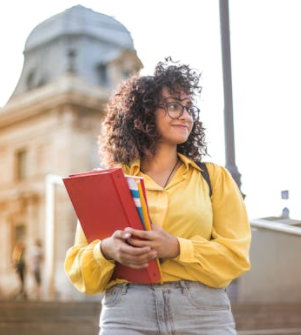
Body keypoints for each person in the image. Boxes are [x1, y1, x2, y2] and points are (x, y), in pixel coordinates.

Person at [64, 58, 251, 334]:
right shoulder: (109, 184)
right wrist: (107, 250)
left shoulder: (214, 178)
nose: (185, 115)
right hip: (126, 313)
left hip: (203, 313)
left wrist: (176, 247)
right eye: (174, 105)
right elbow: (80, 270)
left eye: (189, 108)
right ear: (144, 112)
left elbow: (235, 257)